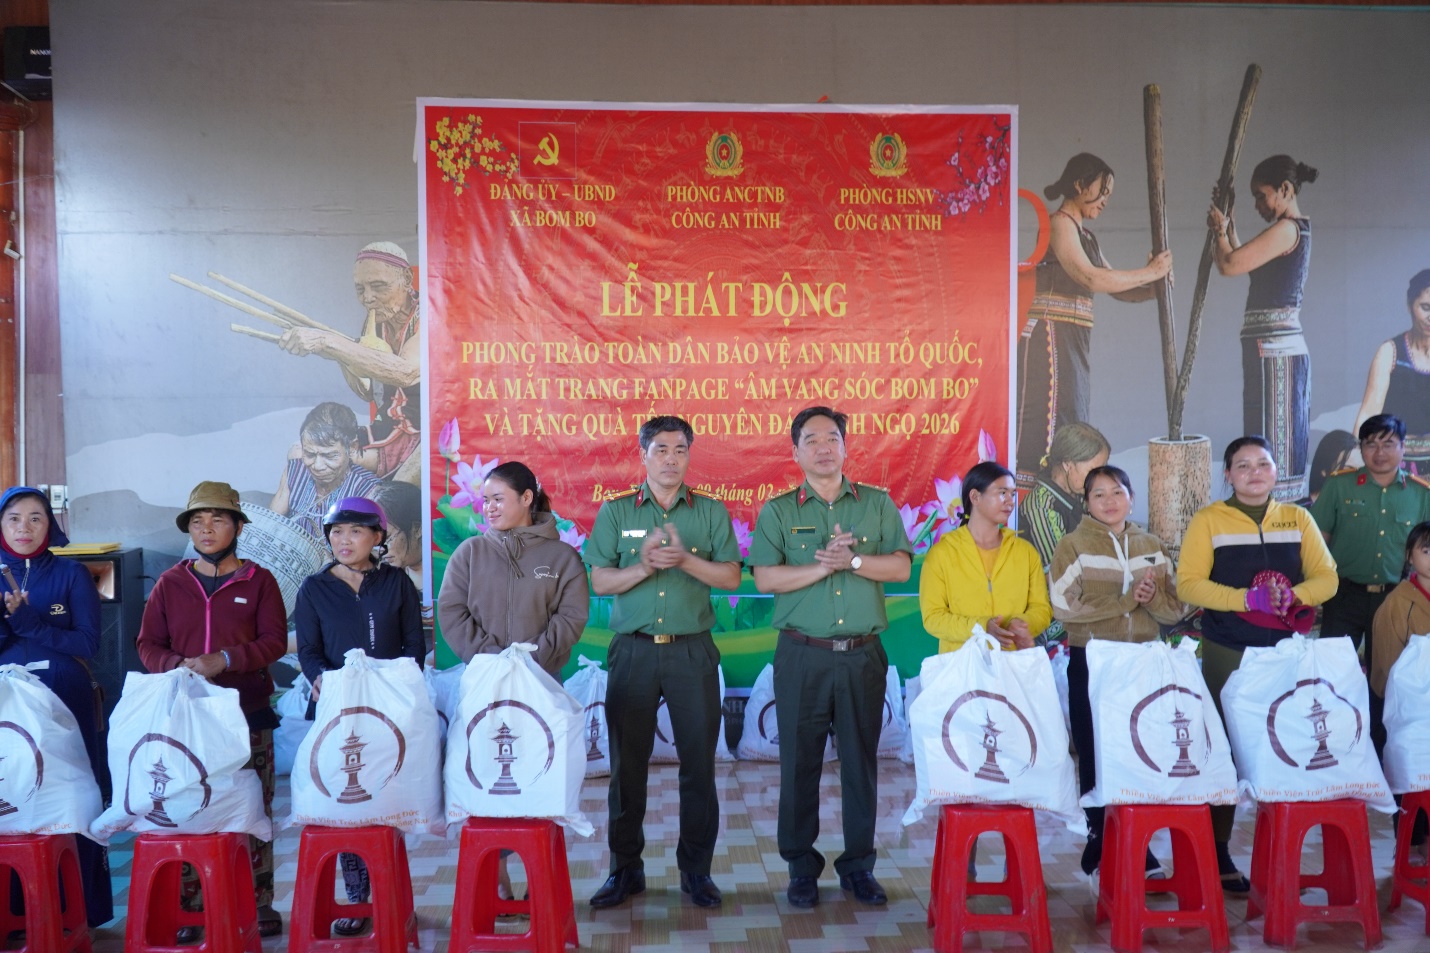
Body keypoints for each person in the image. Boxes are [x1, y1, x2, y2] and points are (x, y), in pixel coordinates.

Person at [749, 406, 912, 909]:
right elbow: (766, 578)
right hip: (803, 655)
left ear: (845, 446)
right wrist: (824, 568)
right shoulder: (779, 511)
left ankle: (859, 867)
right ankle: (801, 868)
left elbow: (901, 568)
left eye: (832, 439)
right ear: (795, 452)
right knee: (799, 765)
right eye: (812, 440)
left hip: (862, 655)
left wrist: (853, 560)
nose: (823, 448)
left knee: (861, 764)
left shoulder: (876, 504)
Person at [581, 419, 739, 909]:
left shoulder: (709, 512)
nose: (671, 458)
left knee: (699, 767)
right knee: (627, 768)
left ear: (690, 455)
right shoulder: (617, 511)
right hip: (634, 651)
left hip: (692, 651)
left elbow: (731, 577)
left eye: (680, 449)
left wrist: (684, 560)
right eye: (661, 449)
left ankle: (697, 871)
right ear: (643, 455)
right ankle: (624, 870)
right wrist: (645, 566)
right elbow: (600, 581)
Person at [1177, 436, 1338, 892]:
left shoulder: (1298, 518)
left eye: (1263, 464)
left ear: (1276, 472)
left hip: (1284, 655)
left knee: (1284, 747)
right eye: (1243, 465)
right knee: (1224, 752)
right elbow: (1188, 584)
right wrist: (1245, 599)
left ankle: (1282, 856)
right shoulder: (1209, 520)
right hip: (1228, 650)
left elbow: (1327, 578)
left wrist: (1295, 595)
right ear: (1227, 474)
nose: (1254, 473)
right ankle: (1217, 852)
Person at [136, 481, 288, 939]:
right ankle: (193, 904)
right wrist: (175, 665)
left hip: (247, 715)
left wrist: (224, 660)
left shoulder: (259, 581)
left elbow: (274, 642)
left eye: (218, 519)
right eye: (198, 521)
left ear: (238, 527)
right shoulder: (171, 583)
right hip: (188, 720)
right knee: (190, 805)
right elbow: (147, 644)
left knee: (252, 807)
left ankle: (258, 901)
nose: (207, 529)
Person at [439, 460, 589, 906]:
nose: (488, 507)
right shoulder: (470, 554)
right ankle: (497, 873)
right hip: (484, 686)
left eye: (498, 499)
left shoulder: (562, 558)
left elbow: (571, 616)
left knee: (536, 776)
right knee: (488, 777)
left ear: (526, 499)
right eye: (484, 500)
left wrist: (530, 662)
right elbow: (452, 611)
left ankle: (540, 876)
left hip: (540, 685)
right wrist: (491, 660)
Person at [295, 497, 424, 938]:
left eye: (355, 531)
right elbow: (309, 651)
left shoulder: (396, 582)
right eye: (336, 531)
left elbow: (414, 646)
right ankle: (357, 897)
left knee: (384, 802)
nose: (344, 540)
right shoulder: (314, 588)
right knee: (345, 804)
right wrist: (321, 680)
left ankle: (389, 896)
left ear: (377, 537)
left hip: (387, 714)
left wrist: (397, 688)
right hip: (337, 714)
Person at [1049, 466, 1184, 881]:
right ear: (1086, 503)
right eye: (1099, 494)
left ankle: (1138, 845)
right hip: (1092, 661)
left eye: (1117, 492)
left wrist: (1152, 597)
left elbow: (1174, 610)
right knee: (1094, 752)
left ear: (1132, 498)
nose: (1109, 501)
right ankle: (1099, 843)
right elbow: (1063, 606)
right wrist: (1125, 602)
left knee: (1138, 753)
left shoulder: (1151, 545)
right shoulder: (1073, 545)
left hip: (1142, 662)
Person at [1015, 153, 1172, 486]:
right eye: (1102, 191)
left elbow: (1115, 286)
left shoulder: (1087, 236)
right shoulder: (1059, 223)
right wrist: (1150, 271)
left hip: (1071, 340)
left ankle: (1066, 492)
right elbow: (1090, 277)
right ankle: (1037, 497)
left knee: (1071, 420)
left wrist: (1154, 288)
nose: (1105, 201)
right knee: (1047, 424)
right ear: (1079, 185)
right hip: (1050, 338)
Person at [0, 487, 113, 929]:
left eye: (36, 518)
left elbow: (87, 643)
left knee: (70, 798)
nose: (24, 528)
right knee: (13, 795)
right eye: (14, 518)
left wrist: (30, 623)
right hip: (8, 708)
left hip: (66, 697)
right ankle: (15, 912)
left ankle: (77, 908)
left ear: (50, 525)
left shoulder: (71, 573)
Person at [1209, 155, 1318, 501]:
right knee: (1264, 440)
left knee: (1276, 447)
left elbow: (1230, 264)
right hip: (1268, 353)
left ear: (1285, 189)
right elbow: (1242, 260)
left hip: (1277, 355)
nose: (1258, 205)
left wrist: (1220, 230)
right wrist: (1227, 224)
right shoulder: (1286, 230)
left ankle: (1281, 513)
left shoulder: (1288, 229)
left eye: (1261, 196)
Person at [279, 242, 422, 484]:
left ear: (407, 279)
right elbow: (367, 391)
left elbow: (406, 373)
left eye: (378, 286)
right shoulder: (376, 321)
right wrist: (339, 355)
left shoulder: (428, 316)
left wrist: (329, 342)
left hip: (423, 437)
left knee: (322, 460)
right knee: (299, 453)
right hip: (387, 429)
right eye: (360, 289)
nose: (368, 298)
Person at [1310, 415, 1430, 686]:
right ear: (1361, 448)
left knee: (1388, 677)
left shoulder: (1421, 494)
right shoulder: (1339, 485)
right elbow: (1317, 542)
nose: (1379, 452)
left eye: (1388, 444)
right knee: (1331, 676)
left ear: (1403, 447)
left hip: (1397, 598)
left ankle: (1379, 717)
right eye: (1371, 444)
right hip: (1343, 596)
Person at [921, 461, 1051, 655]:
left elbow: (1041, 609)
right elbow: (933, 618)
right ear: (975, 497)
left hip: (1012, 662)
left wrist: (1023, 624)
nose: (1010, 501)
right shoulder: (942, 554)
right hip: (963, 665)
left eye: (1013, 494)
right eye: (1002, 493)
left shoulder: (1025, 552)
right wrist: (981, 628)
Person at [271, 401, 382, 541]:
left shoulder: (369, 490)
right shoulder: (295, 471)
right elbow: (271, 524)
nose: (317, 466)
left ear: (352, 447)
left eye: (329, 456)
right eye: (310, 454)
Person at [1354, 269, 1430, 472]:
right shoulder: (1390, 352)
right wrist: (1354, 458)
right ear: (1409, 305)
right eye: (1425, 307)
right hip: (1395, 466)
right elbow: (1369, 412)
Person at [1369, 522, 1430, 756]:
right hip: (1410, 710)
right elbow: (1388, 668)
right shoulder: (1397, 604)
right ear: (1409, 557)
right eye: (1426, 551)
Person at [1019, 421, 1111, 569]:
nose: (1098, 478)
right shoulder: (1042, 508)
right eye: (1092, 471)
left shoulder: (1081, 492)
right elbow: (1060, 571)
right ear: (1068, 465)